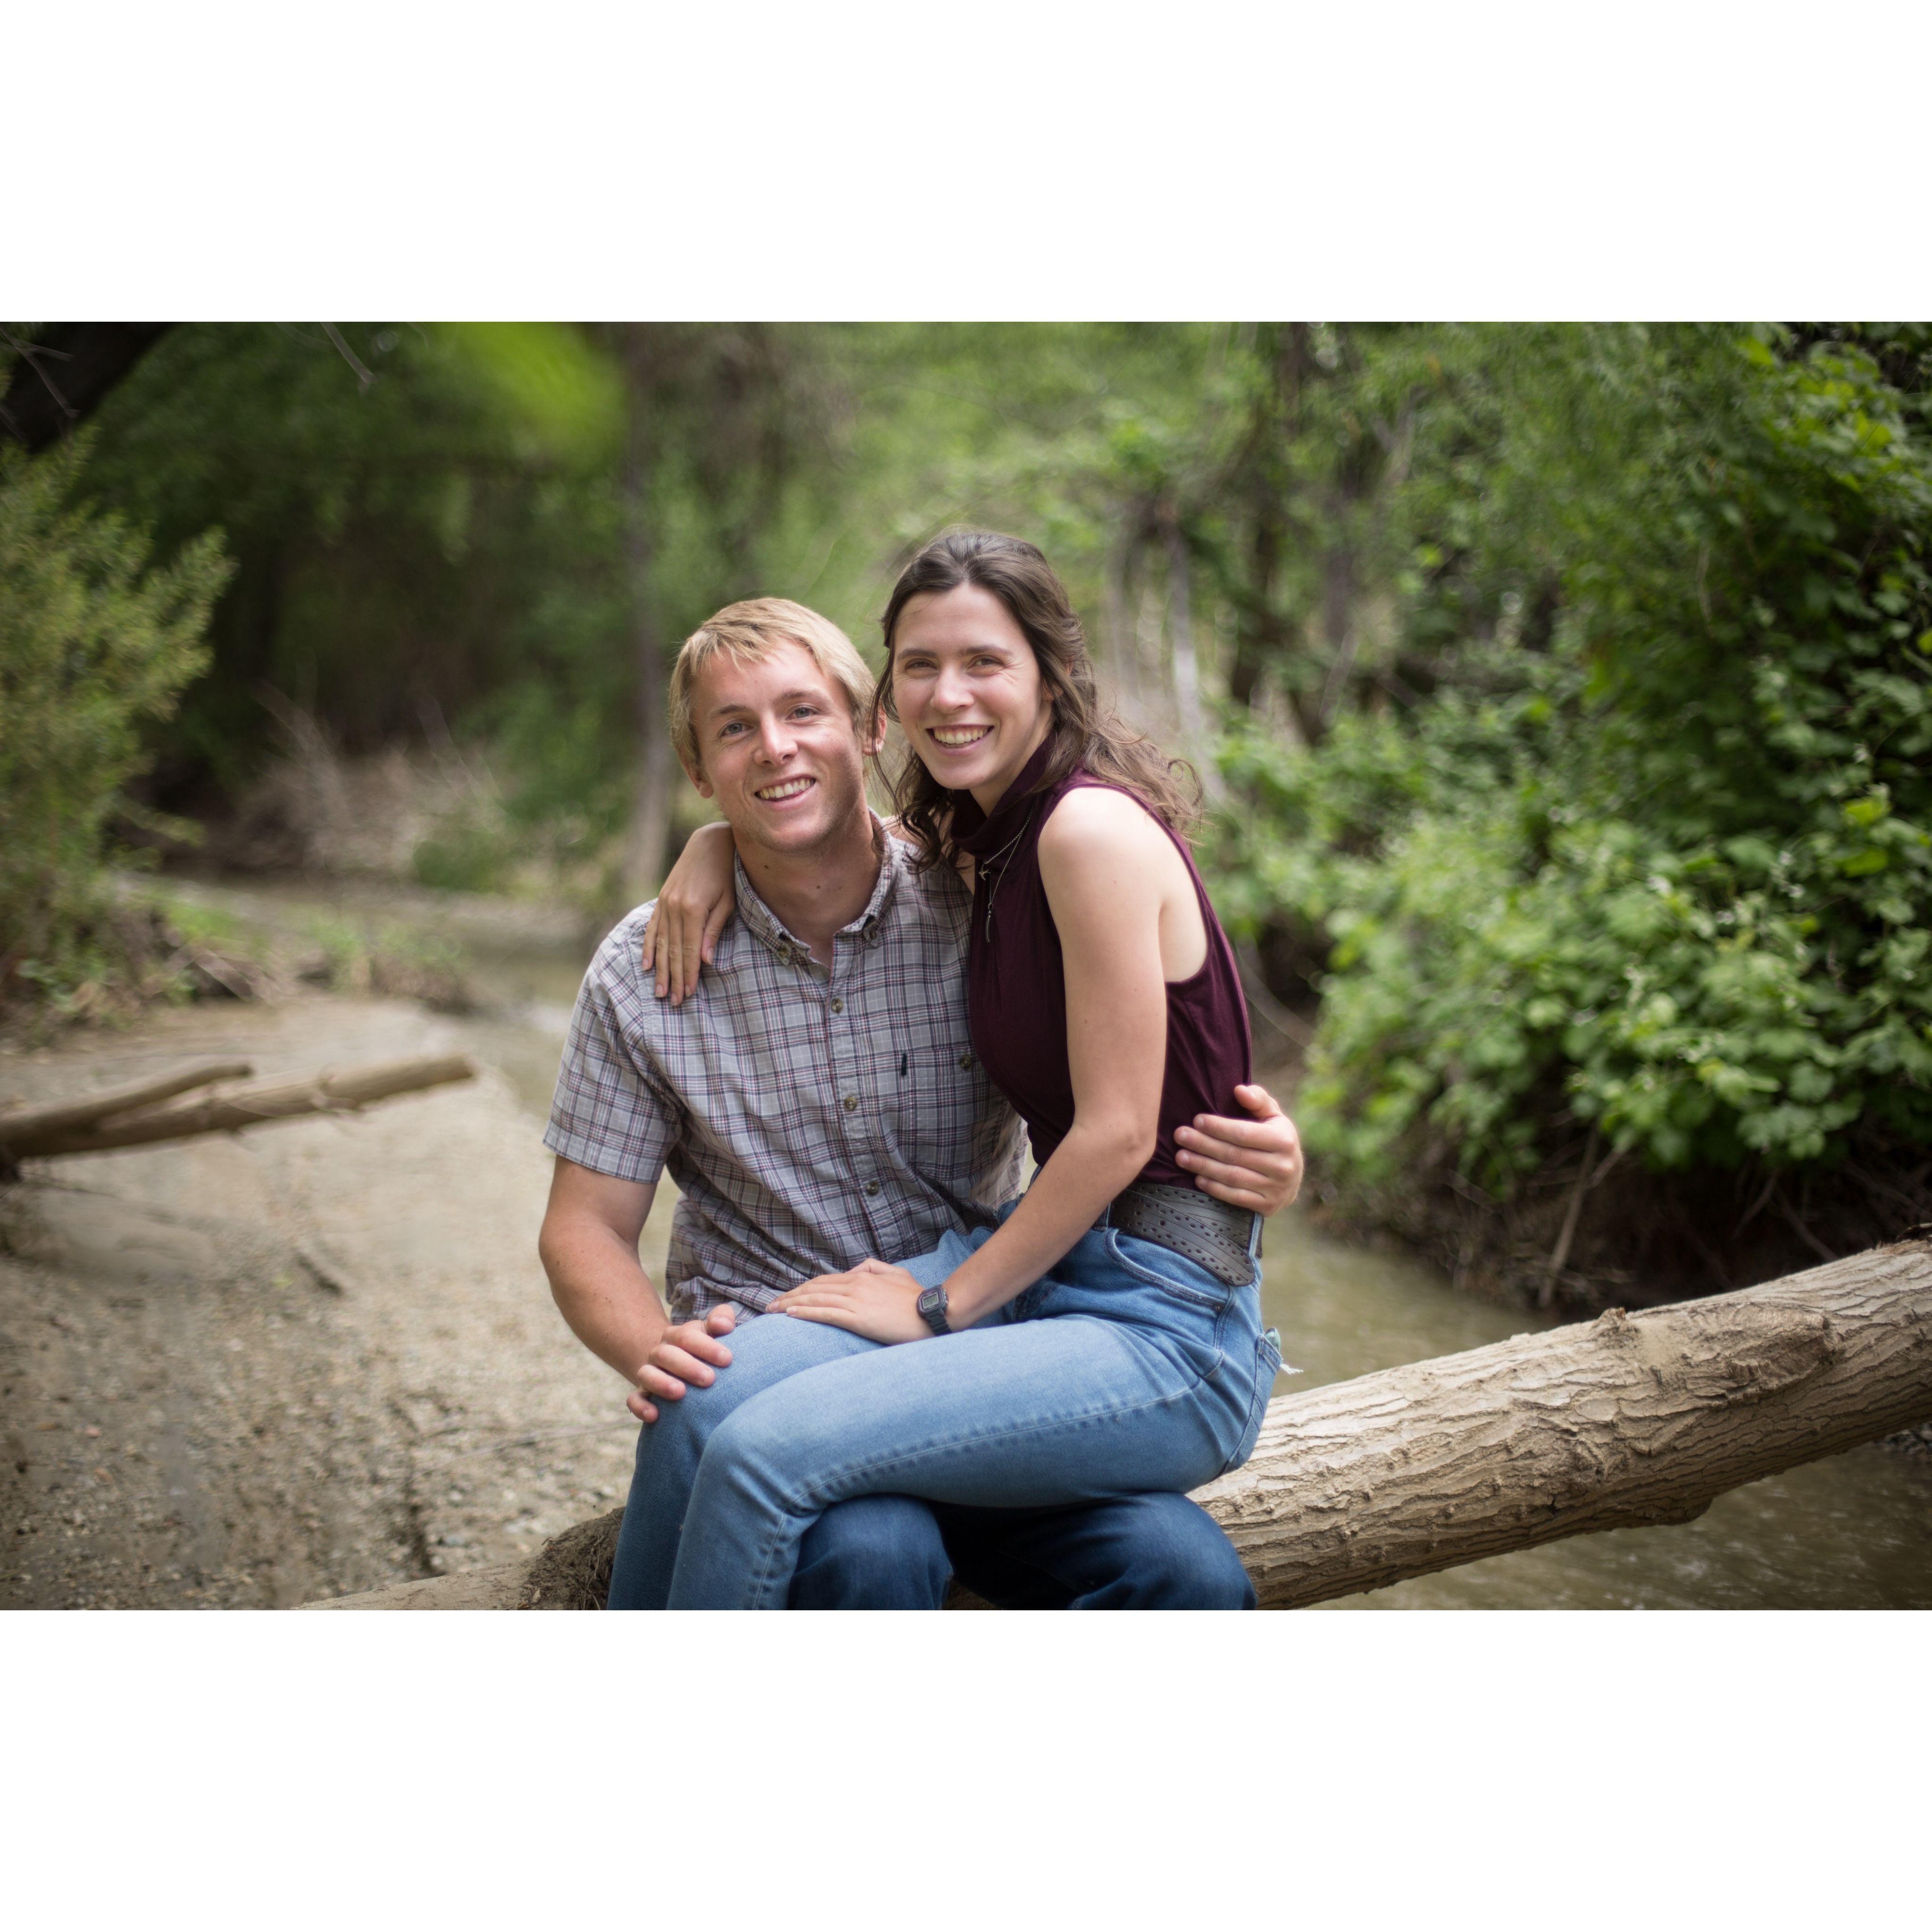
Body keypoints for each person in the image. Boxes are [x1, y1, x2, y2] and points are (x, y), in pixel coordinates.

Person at [537, 594, 1304, 1610]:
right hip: (775, 1347)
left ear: (868, 730)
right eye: (735, 730)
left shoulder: (979, 892)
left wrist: (1254, 1155)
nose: (774, 749)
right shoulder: (646, 971)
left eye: (804, 714)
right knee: (874, 1550)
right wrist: (661, 1353)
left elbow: (1145, 1062)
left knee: (1183, 1570)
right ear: (698, 770)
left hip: (985, 1336)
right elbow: (581, 1229)